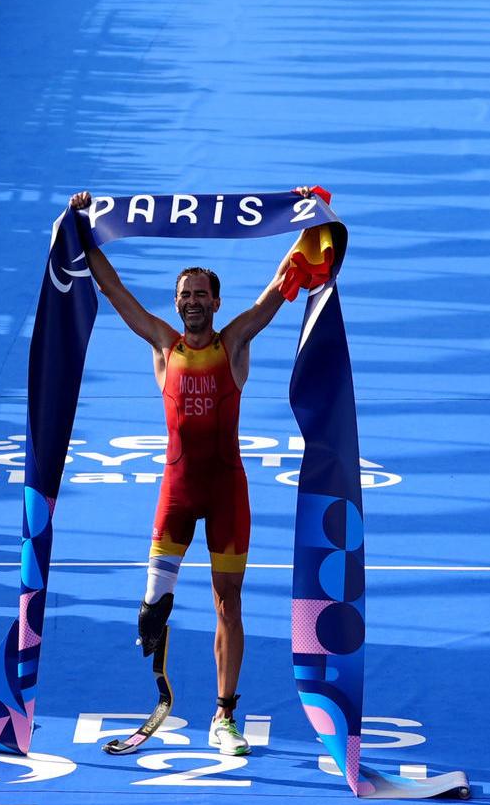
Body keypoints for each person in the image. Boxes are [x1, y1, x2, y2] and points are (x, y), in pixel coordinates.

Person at [82, 227, 318, 759]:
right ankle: (162, 678)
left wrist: (307, 224)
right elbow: (116, 290)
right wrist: (81, 234)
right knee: (152, 611)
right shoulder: (163, 346)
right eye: (184, 294)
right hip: (177, 498)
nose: (192, 302)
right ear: (178, 302)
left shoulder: (232, 344)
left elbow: (275, 290)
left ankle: (225, 716)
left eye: (200, 294)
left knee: (228, 603)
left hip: (227, 494)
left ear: (215, 301)